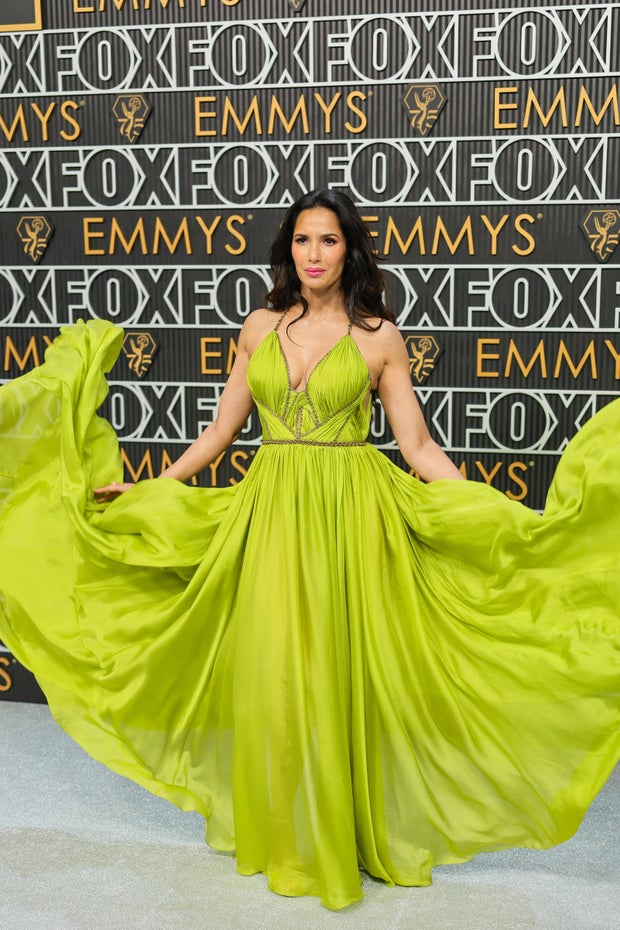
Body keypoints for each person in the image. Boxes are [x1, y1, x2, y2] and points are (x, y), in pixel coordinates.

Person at [0, 190, 618, 911]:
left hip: (352, 514)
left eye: (328, 241)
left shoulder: (379, 335)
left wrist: (494, 511)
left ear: (349, 251)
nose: (314, 254)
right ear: (287, 250)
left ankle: (344, 830)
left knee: (336, 663)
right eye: (302, 240)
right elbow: (221, 432)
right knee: (277, 666)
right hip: (271, 510)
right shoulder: (259, 326)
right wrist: (150, 487)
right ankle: (289, 828)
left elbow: (416, 445)